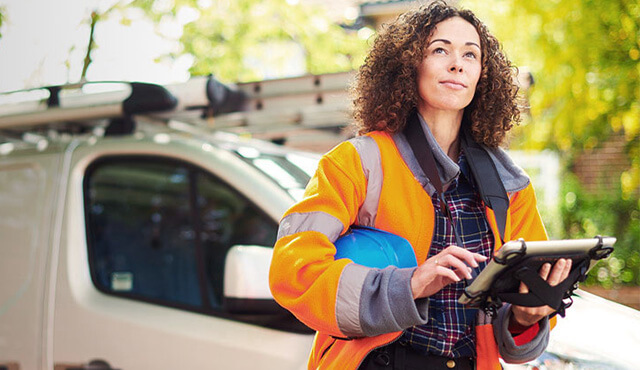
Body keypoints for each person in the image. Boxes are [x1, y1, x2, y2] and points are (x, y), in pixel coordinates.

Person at [269, 2, 572, 369]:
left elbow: (514, 333)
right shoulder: (356, 163)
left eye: (470, 54)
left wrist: (528, 315)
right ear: (409, 65)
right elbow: (292, 271)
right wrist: (408, 285)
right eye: (440, 50)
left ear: (482, 76)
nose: (457, 63)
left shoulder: (511, 187)